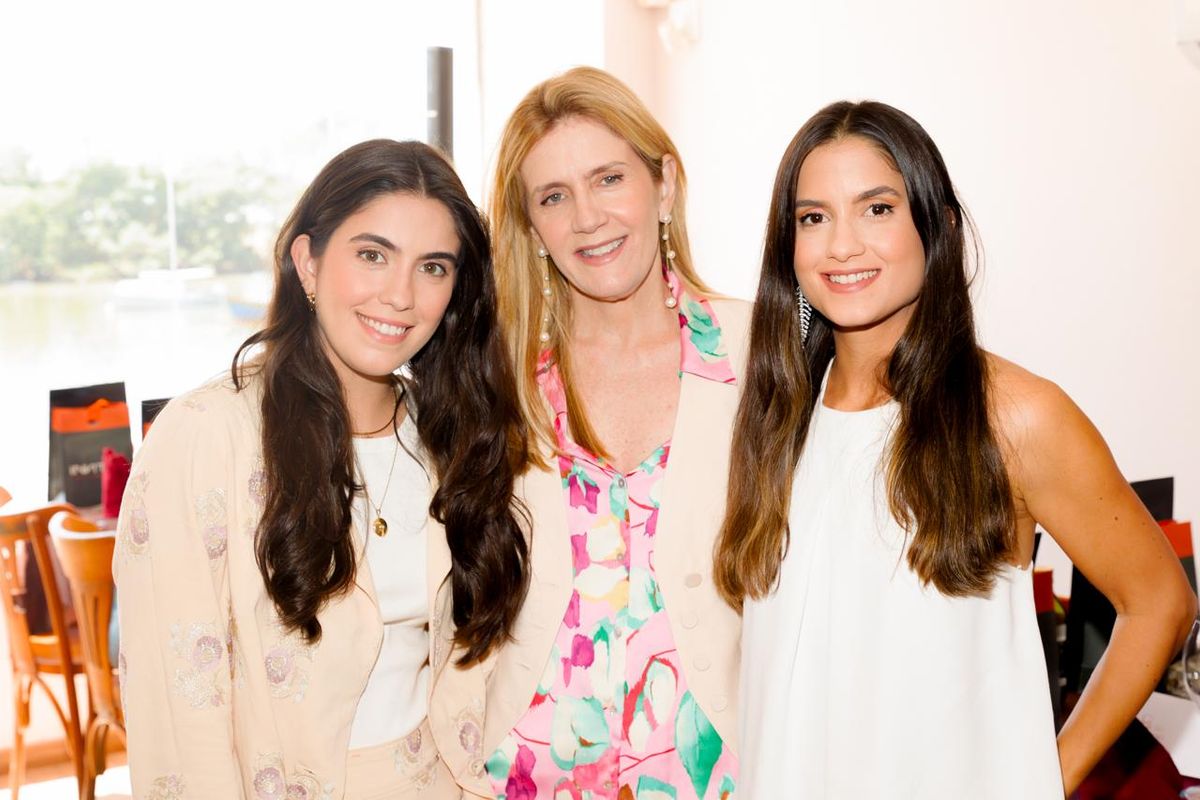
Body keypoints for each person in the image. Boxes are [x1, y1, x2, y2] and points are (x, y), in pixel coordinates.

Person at [716, 100, 1198, 798]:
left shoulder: (1015, 414)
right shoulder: (776, 414)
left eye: (877, 209)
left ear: (937, 226)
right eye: (813, 217)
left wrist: (1041, 778)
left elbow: (1159, 601)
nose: (842, 245)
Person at [114, 139, 529, 798]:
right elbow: (177, 708)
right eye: (372, 255)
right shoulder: (205, 437)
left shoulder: (451, 434)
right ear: (306, 263)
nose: (399, 295)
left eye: (433, 267)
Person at [431, 67, 747, 799]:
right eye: (553, 196)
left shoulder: (762, 355)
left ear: (663, 185)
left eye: (609, 178)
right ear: (532, 226)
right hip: (526, 778)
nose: (586, 218)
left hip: (721, 776)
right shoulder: (493, 383)